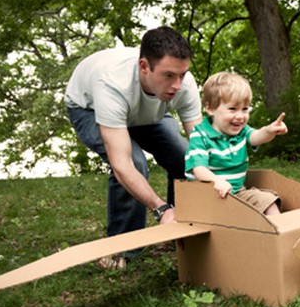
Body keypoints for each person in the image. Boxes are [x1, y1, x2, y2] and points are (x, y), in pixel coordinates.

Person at [64, 26, 202, 268]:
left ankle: (180, 229)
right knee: (135, 163)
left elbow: (201, 147)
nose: (178, 85)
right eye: (169, 75)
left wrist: (224, 183)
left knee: (183, 156)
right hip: (90, 109)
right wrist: (161, 208)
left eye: (182, 75)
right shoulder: (112, 84)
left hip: (147, 112)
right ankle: (122, 248)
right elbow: (122, 164)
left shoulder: (184, 84)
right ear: (144, 67)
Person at [185, 72, 288, 215]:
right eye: (232, 109)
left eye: (245, 109)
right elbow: (198, 169)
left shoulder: (242, 132)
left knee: (268, 201)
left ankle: (279, 234)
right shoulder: (200, 134)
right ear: (210, 109)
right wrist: (216, 181)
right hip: (207, 198)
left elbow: (257, 136)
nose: (240, 116)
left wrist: (270, 130)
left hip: (237, 193)